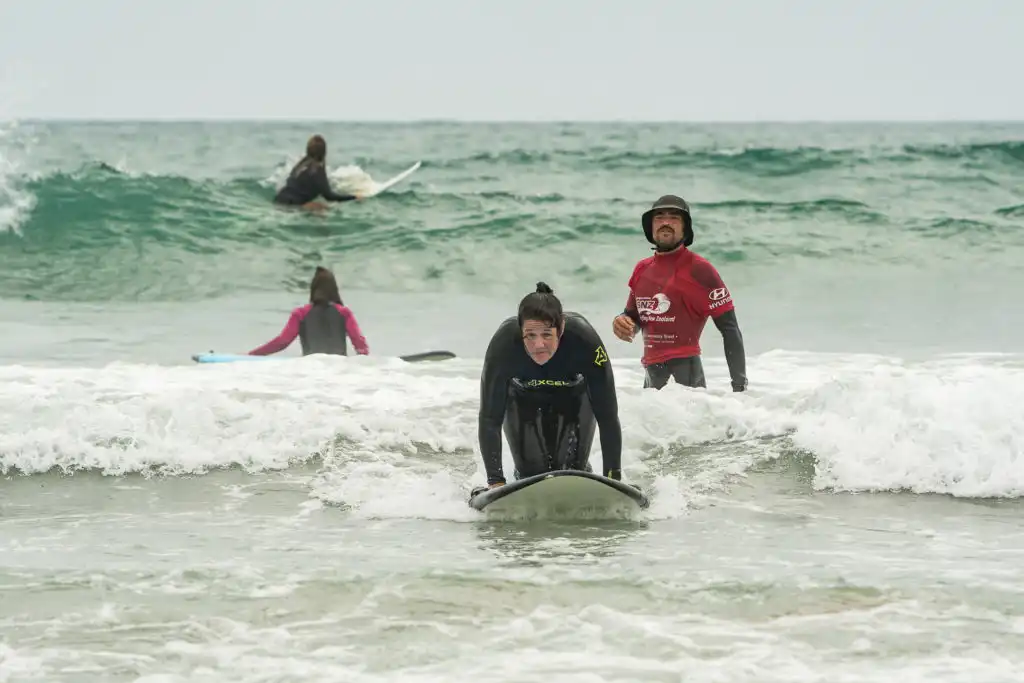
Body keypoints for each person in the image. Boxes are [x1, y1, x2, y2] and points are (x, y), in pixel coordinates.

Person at [475, 282, 625, 492]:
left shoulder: (584, 341)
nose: (538, 345)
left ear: (561, 328)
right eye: (530, 335)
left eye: (547, 334)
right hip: (521, 398)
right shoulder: (503, 346)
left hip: (574, 398)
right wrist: (495, 482)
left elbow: (607, 417)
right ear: (520, 331)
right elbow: (490, 419)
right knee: (530, 475)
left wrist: (614, 479)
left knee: (574, 471)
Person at [611, 194, 747, 392]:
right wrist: (622, 322)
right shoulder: (642, 269)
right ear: (650, 226)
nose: (665, 222)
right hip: (651, 376)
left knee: (692, 423)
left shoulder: (700, 270)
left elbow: (730, 328)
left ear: (686, 228)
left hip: (687, 375)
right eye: (659, 217)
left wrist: (739, 387)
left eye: (674, 217)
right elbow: (635, 316)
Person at [248, 266, 369, 357]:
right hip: (337, 370)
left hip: (311, 370)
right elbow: (360, 344)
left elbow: (283, 341)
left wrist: (254, 355)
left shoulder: (300, 313)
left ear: (313, 289)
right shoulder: (344, 313)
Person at [273, 135, 361, 207]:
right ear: (324, 152)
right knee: (321, 208)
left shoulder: (301, 164)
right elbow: (329, 196)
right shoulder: (317, 169)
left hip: (279, 198)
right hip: (293, 204)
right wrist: (353, 197)